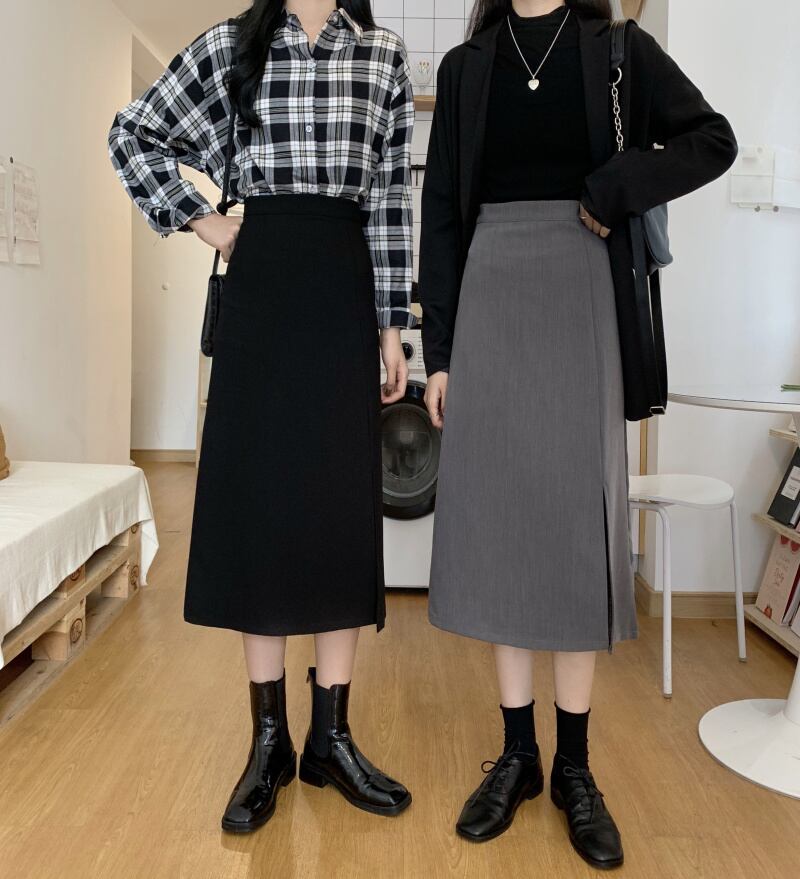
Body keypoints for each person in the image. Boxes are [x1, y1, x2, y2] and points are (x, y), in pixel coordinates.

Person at [419, 0, 737, 869]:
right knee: (501, 524)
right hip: (489, 296)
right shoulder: (466, 68)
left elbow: (713, 139)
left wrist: (614, 184)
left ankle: (575, 767)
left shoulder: (621, 49)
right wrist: (439, 353)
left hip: (581, 296)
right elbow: (440, 213)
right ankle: (517, 754)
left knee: (572, 526)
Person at [108, 0, 415, 833]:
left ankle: (332, 738)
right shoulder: (229, 46)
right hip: (263, 287)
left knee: (339, 511)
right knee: (263, 510)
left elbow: (391, 198)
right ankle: (270, 740)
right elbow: (132, 133)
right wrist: (208, 222)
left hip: (345, 291)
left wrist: (393, 327)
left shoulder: (384, 56)